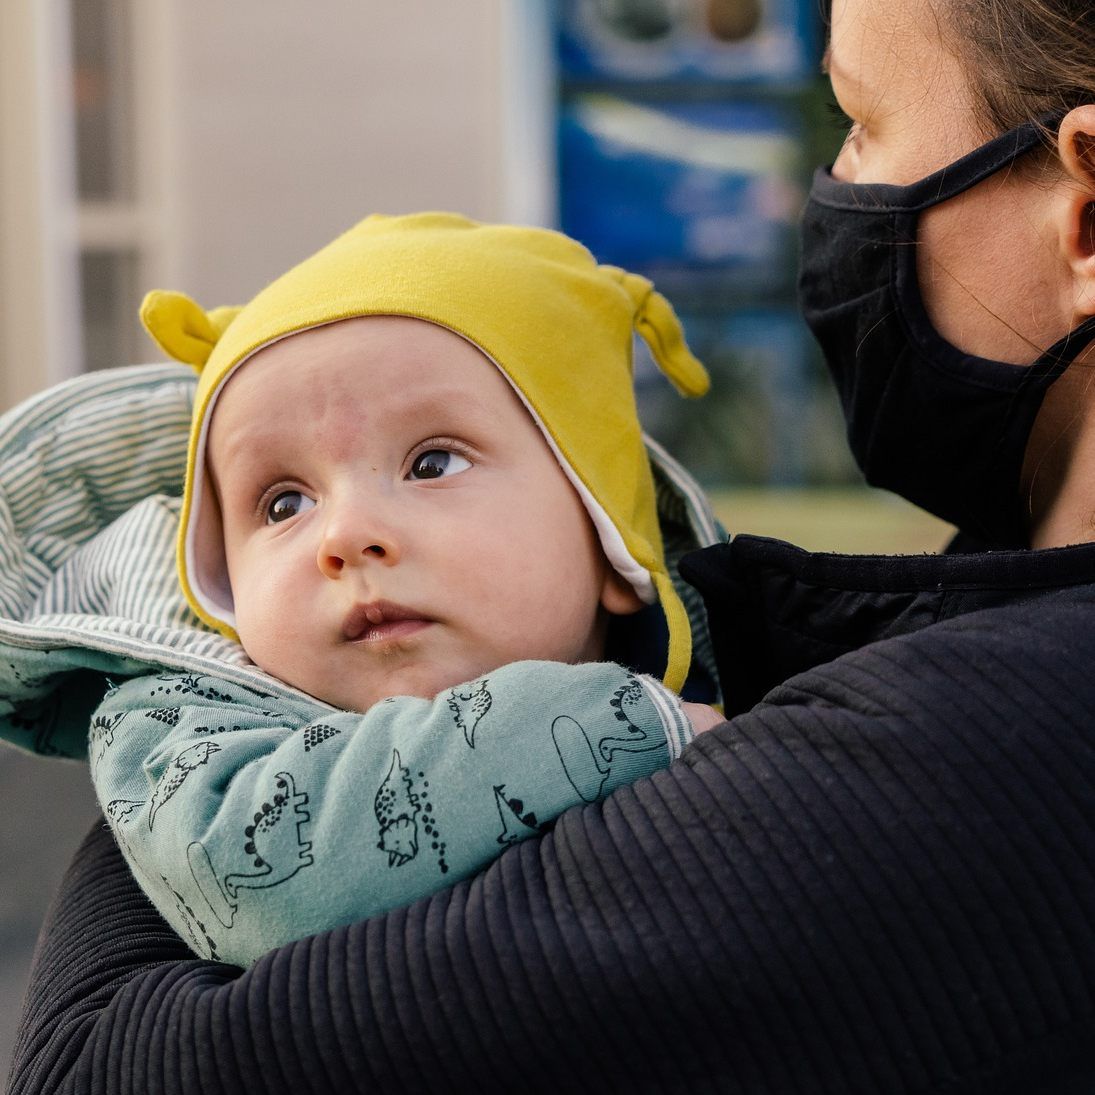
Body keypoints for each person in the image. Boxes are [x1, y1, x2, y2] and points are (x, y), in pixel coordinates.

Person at [8, 0, 1095, 1089]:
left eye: (858, 119)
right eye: (279, 502)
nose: (347, 535)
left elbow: (99, 1068)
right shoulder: (967, 605)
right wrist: (191, 673)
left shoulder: (1001, 756)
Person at [0, 213, 725, 969]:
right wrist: (628, 725)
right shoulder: (178, 724)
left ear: (611, 543)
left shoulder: (760, 676)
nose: (344, 535)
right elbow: (258, 876)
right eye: (284, 503)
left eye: (433, 463)